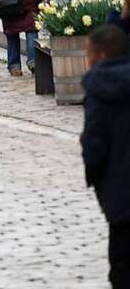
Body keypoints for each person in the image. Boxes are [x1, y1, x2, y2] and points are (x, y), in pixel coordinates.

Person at [81, 24, 130, 289]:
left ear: (99, 55)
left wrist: (95, 177)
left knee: (122, 267)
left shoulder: (100, 88)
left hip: (120, 193)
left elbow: (94, 142)